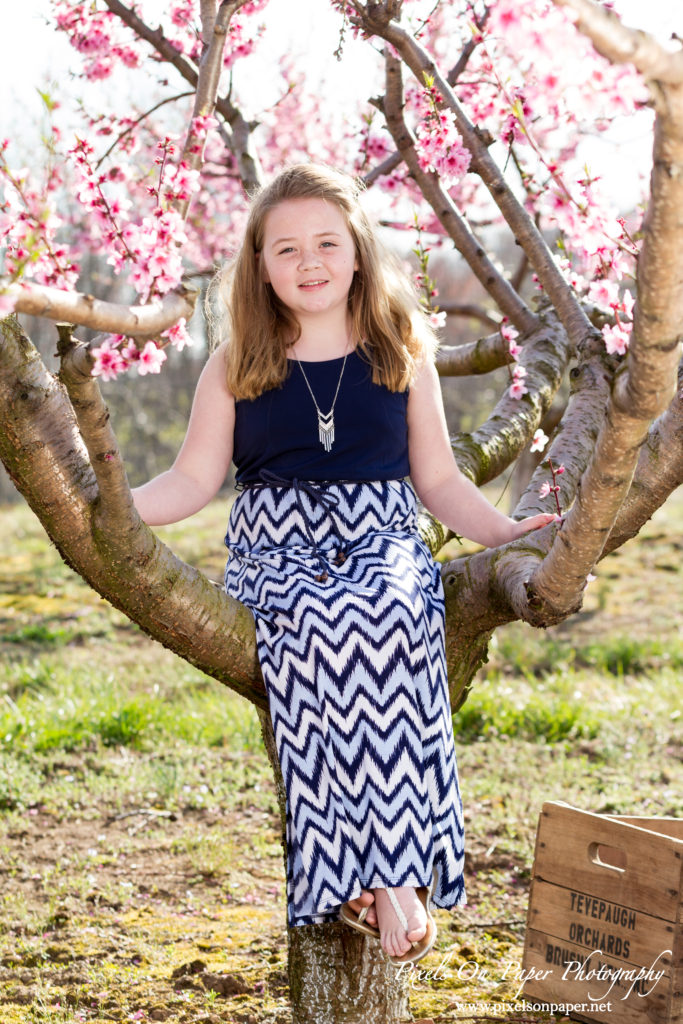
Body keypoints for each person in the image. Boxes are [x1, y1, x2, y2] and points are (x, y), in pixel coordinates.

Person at [131, 163, 558, 965]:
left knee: (395, 613)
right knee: (321, 632)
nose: (309, 262)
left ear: (358, 251)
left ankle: (386, 873)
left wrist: (502, 532)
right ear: (259, 265)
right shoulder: (236, 362)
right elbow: (191, 480)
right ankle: (381, 874)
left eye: (327, 242)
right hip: (277, 541)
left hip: (380, 535)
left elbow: (436, 481)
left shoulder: (400, 350)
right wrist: (109, 508)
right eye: (285, 248)